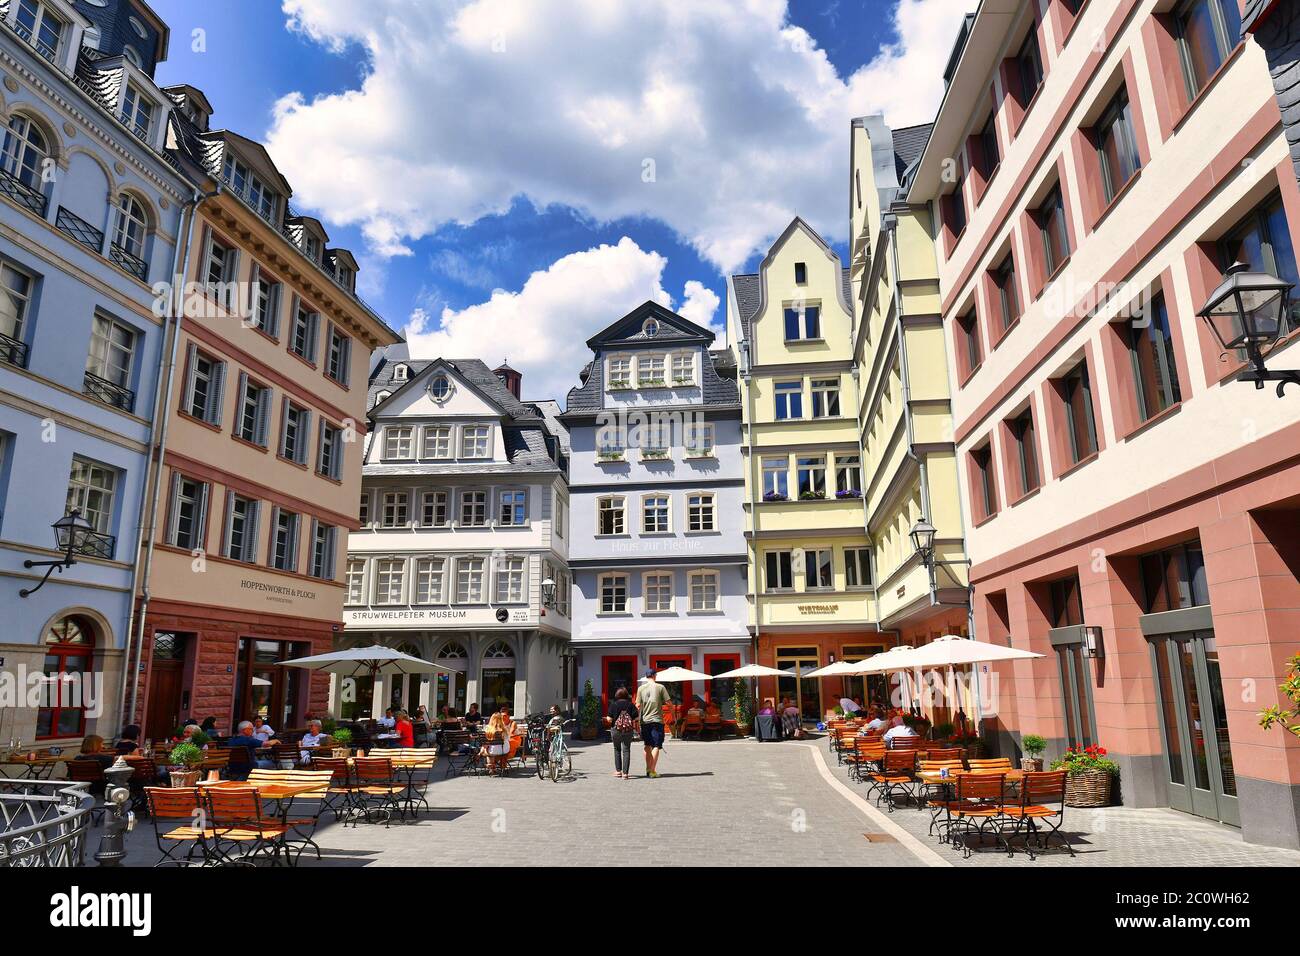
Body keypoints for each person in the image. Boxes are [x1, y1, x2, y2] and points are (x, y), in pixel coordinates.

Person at [635, 670, 671, 779]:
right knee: (656, 745)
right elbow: (669, 703)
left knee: (647, 745)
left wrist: (636, 721)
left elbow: (637, 705)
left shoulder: (640, 688)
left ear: (646, 677)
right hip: (657, 721)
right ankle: (652, 770)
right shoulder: (660, 687)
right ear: (655, 676)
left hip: (644, 721)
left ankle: (647, 768)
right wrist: (673, 715)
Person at [607, 688, 638, 779]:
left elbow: (609, 719)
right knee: (626, 750)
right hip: (628, 730)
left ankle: (618, 771)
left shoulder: (613, 705)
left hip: (616, 730)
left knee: (617, 749)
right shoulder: (631, 705)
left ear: (617, 695)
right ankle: (625, 773)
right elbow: (636, 718)